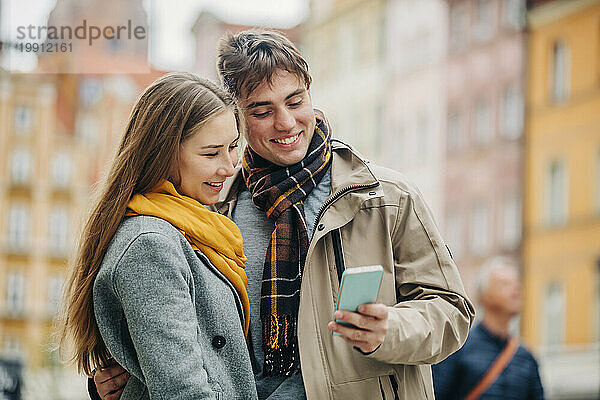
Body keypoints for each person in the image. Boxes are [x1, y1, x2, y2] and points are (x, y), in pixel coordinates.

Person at [93, 29, 475, 399]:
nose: (286, 123)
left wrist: (391, 330)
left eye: (295, 102)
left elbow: (453, 311)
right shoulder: (210, 208)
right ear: (235, 116)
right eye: (262, 111)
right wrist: (126, 381)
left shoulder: (386, 197)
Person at [59, 72, 259, 400]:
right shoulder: (150, 245)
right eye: (211, 153)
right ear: (164, 153)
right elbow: (182, 390)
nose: (229, 166)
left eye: (233, 146)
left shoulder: (200, 224)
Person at [432, 257, 545, 399]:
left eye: (517, 285)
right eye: (505, 284)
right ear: (484, 297)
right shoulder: (457, 347)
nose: (516, 290)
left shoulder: (526, 357)